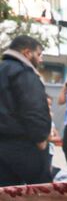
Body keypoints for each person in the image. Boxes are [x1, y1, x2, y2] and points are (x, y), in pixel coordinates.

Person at [0, 35, 54, 185]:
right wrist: (41, 138)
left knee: (6, 197)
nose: (40, 59)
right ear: (26, 53)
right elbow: (33, 108)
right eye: (38, 54)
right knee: (41, 193)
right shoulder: (23, 73)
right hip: (23, 144)